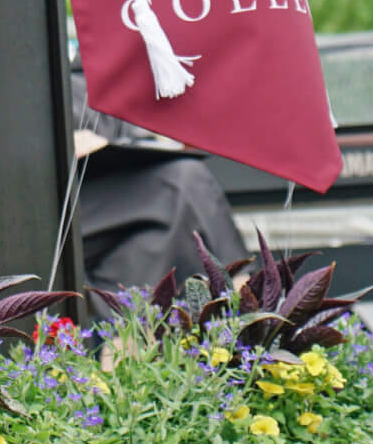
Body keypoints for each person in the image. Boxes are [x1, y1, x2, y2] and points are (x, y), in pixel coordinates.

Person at [69, 66, 246, 308]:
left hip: (96, 190)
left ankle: (124, 333)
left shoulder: (82, 74)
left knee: (157, 236)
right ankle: (245, 299)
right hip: (40, 203)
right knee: (182, 182)